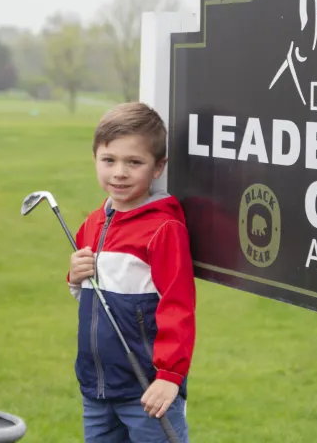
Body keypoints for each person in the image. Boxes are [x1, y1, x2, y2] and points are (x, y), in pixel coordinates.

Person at [66, 102, 195, 442]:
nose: (119, 172)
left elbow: (178, 305)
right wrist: (75, 277)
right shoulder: (92, 224)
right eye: (109, 160)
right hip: (97, 387)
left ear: (157, 167)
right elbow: (91, 296)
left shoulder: (163, 229)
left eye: (133, 162)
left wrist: (169, 376)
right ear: (95, 158)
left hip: (147, 389)